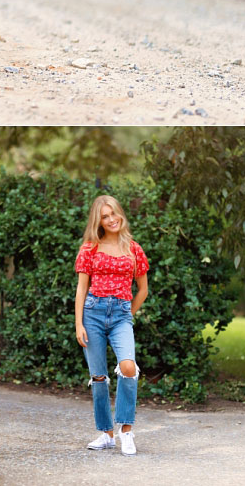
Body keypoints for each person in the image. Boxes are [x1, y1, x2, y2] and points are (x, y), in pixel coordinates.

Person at [74, 194, 149, 457]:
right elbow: (82, 289)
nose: (111, 219)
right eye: (105, 216)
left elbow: (143, 290)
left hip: (120, 315)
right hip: (92, 314)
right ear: (99, 221)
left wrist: (127, 313)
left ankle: (126, 431)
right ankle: (105, 434)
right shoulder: (89, 248)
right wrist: (78, 323)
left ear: (120, 213)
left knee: (128, 367)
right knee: (98, 377)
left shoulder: (134, 249)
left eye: (113, 213)